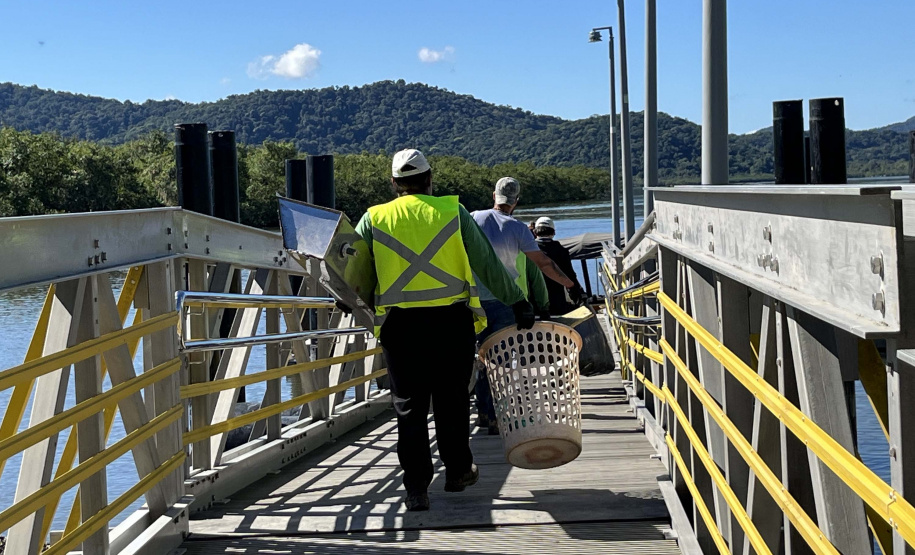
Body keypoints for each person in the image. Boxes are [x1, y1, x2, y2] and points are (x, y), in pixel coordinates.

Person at [354, 149, 534, 512]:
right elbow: (487, 264)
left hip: (400, 326)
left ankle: (416, 488)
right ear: (430, 179)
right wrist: (517, 301)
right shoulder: (454, 212)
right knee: (451, 401)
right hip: (450, 322)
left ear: (393, 183)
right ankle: (456, 472)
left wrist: (350, 297)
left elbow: (351, 264)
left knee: (409, 407)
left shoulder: (374, 217)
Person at [470, 178, 575, 432]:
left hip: (474, 302)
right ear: (516, 201)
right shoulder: (518, 229)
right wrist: (570, 285)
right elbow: (543, 265)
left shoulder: (472, 218)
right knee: (502, 361)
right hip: (507, 301)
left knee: (481, 357)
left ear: (493, 195)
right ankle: (497, 417)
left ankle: (483, 411)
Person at [533, 216, 584, 315]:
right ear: (553, 233)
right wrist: (578, 294)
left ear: (535, 233)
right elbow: (570, 274)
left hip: (533, 301)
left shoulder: (528, 251)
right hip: (557, 299)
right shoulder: (561, 251)